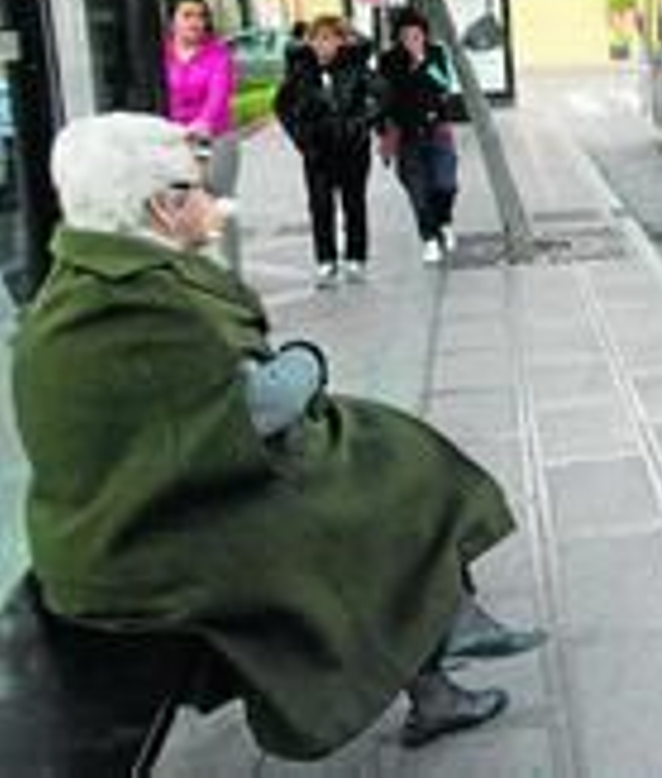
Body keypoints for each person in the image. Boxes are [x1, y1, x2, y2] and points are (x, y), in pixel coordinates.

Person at [10, 113, 543, 757]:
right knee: (371, 503)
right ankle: (440, 641)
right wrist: (308, 360)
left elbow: (204, 413)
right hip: (141, 548)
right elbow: (260, 407)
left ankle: (442, 655)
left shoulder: (89, 279)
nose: (211, 199)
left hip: (135, 516)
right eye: (198, 187)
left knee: (380, 462)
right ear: (162, 206)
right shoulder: (133, 304)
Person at [274, 15, 378, 287]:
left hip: (353, 149)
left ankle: (356, 259)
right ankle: (326, 262)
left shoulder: (355, 66)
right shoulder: (300, 70)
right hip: (317, 151)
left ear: (341, 42)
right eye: (317, 39)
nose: (323, 45)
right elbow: (281, 106)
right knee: (321, 206)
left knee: (354, 203)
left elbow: (384, 95)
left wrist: (362, 123)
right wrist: (301, 138)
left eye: (329, 38)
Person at [377, 7, 460, 265]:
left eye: (417, 34)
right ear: (398, 38)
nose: (412, 39)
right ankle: (430, 239)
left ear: (424, 34)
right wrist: (384, 133)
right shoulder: (389, 61)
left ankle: (444, 222)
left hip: (437, 130)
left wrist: (422, 60)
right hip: (406, 135)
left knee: (446, 184)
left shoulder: (435, 54)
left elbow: (444, 84)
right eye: (406, 35)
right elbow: (386, 97)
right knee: (418, 190)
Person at [163, 0, 240, 266]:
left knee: (218, 207)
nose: (196, 22)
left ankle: (230, 276)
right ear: (172, 21)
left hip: (215, 138)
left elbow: (219, 95)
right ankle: (189, 276)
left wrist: (204, 123)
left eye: (201, 15)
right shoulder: (162, 54)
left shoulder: (218, 54)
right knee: (176, 206)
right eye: (187, 15)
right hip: (174, 142)